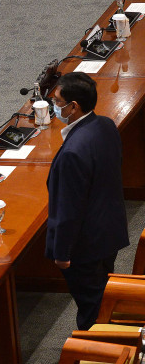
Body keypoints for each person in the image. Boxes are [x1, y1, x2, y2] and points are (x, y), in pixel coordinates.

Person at [46, 73, 129, 329]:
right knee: (103, 295)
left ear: (73, 107)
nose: (54, 106)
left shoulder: (73, 152)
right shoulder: (105, 124)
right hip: (109, 230)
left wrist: (62, 252)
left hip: (85, 246)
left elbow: (69, 210)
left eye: (57, 101)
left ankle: (98, 347)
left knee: (91, 307)